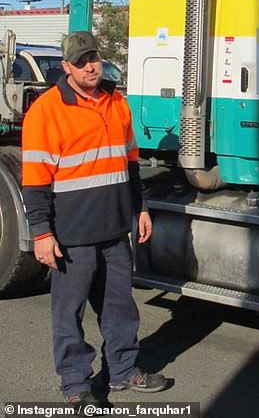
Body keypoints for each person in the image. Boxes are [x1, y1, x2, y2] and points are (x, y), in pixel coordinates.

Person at [21, 31, 167, 408]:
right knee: (69, 313)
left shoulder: (117, 103)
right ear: (66, 67)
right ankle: (75, 384)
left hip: (116, 228)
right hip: (72, 234)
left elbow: (130, 162)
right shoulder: (47, 110)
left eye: (94, 58)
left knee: (120, 307)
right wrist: (41, 233)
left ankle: (122, 371)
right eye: (81, 61)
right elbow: (35, 178)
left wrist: (140, 209)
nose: (90, 66)